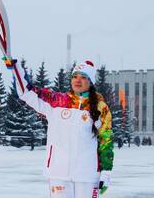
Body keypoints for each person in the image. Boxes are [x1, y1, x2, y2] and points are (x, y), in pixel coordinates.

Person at [8, 60, 114, 197]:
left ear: (91, 82)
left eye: (83, 77)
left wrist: (106, 172)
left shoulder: (100, 107)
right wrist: (16, 69)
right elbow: (27, 93)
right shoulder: (56, 101)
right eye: (75, 76)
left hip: (87, 174)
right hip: (58, 171)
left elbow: (106, 140)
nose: (78, 80)